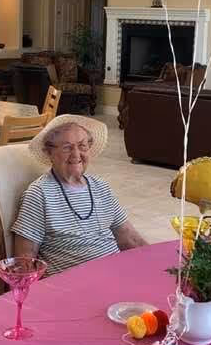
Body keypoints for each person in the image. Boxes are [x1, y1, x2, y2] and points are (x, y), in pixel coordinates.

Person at [12, 114, 148, 274]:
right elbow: (25, 259)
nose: (76, 154)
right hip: (72, 287)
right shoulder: (39, 194)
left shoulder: (100, 187)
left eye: (82, 146)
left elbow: (129, 238)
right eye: (67, 147)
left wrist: (158, 261)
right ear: (49, 152)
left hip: (115, 274)